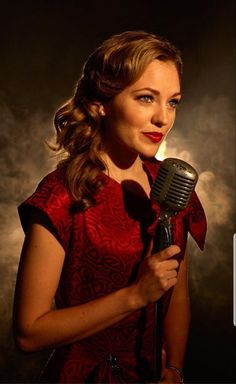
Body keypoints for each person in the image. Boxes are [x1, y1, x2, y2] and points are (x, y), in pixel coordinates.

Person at [13, 30, 207, 383]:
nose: (163, 119)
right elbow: (29, 332)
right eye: (146, 98)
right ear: (101, 102)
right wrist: (134, 296)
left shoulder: (173, 185)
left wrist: (174, 367)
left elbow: (177, 292)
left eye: (173, 101)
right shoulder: (63, 194)